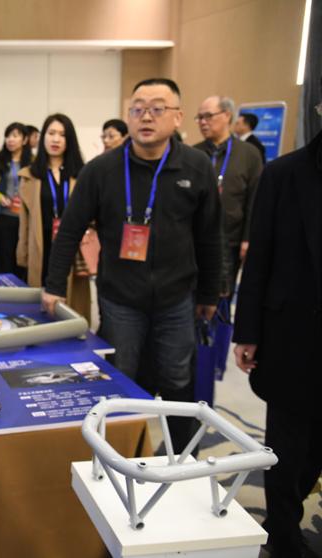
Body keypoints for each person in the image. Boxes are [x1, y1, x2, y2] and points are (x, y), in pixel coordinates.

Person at [42, 78, 223, 451]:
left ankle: (180, 458)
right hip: (120, 298)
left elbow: (209, 236)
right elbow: (69, 230)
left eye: (157, 108)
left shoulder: (196, 166)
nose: (146, 117)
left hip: (177, 298)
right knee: (120, 378)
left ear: (177, 117)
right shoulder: (101, 170)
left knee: (177, 378)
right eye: (138, 109)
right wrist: (54, 285)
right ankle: (117, 456)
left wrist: (209, 293)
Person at [232, 100, 322, 558]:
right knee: (288, 443)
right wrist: (246, 331)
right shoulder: (285, 174)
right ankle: (284, 534)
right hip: (293, 335)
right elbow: (260, 258)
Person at [17, 114, 90, 320]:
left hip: (73, 247)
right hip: (41, 245)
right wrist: (23, 253)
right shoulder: (30, 175)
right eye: (51, 133)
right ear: (43, 137)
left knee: (72, 305)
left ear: (70, 140)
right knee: (41, 307)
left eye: (62, 135)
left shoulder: (82, 174)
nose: (56, 139)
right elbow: (24, 222)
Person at [193, 96, 263, 295]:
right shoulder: (193, 153)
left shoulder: (249, 154)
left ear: (226, 115)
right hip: (195, 238)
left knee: (222, 295)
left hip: (230, 239)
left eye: (208, 116)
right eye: (199, 117)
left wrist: (248, 238)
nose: (203, 122)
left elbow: (254, 200)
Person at [0, 122, 32, 279]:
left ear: (25, 140)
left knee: (23, 258)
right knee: (4, 258)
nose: (10, 140)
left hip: (26, 219)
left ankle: (22, 288)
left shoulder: (33, 162)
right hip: (4, 216)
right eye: (8, 136)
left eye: (15, 136)